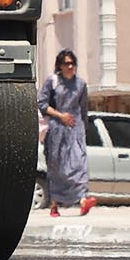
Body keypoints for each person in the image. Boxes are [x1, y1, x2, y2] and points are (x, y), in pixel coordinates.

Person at [37, 49, 95, 217]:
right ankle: (55, 204)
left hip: (75, 130)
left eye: (72, 63)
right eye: (66, 63)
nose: (70, 66)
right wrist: (61, 116)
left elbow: (83, 108)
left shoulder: (81, 84)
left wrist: (84, 129)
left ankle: (83, 200)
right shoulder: (52, 82)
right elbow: (41, 104)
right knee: (58, 168)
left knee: (79, 164)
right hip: (56, 131)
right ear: (60, 66)